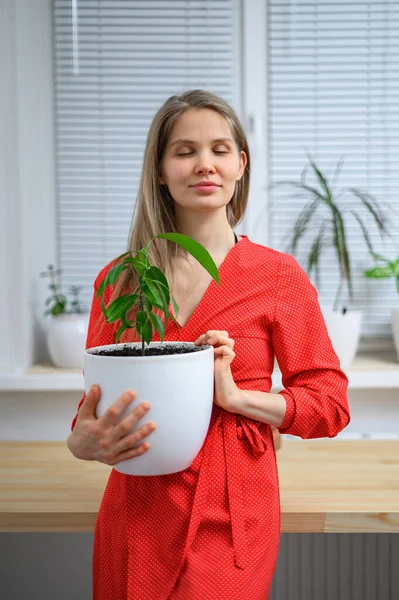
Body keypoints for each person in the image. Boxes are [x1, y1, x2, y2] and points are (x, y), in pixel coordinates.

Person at [67, 89, 350, 600]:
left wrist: (238, 398)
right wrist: (80, 443)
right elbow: (93, 411)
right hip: (137, 508)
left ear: (241, 164)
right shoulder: (122, 280)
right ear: (159, 169)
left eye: (220, 150)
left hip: (232, 508)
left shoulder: (277, 276)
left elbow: (329, 404)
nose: (205, 165)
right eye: (184, 151)